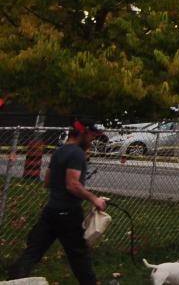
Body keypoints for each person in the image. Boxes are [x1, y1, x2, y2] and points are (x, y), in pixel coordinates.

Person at [7, 119, 107, 285]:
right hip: (68, 212)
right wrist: (94, 198)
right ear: (83, 132)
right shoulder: (76, 153)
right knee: (78, 254)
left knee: (34, 250)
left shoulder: (59, 151)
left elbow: (47, 181)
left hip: (51, 210)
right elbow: (73, 184)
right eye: (92, 136)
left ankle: (13, 280)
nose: (92, 140)